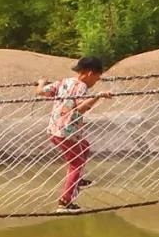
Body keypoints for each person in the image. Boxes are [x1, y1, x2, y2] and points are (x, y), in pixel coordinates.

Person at [37, 56, 111, 213]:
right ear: (90, 73)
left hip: (54, 130)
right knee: (76, 164)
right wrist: (98, 96)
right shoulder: (82, 87)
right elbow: (80, 109)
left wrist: (42, 82)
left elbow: (40, 92)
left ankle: (77, 180)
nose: (96, 82)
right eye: (97, 78)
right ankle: (65, 203)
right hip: (67, 133)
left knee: (85, 146)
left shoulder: (63, 82)